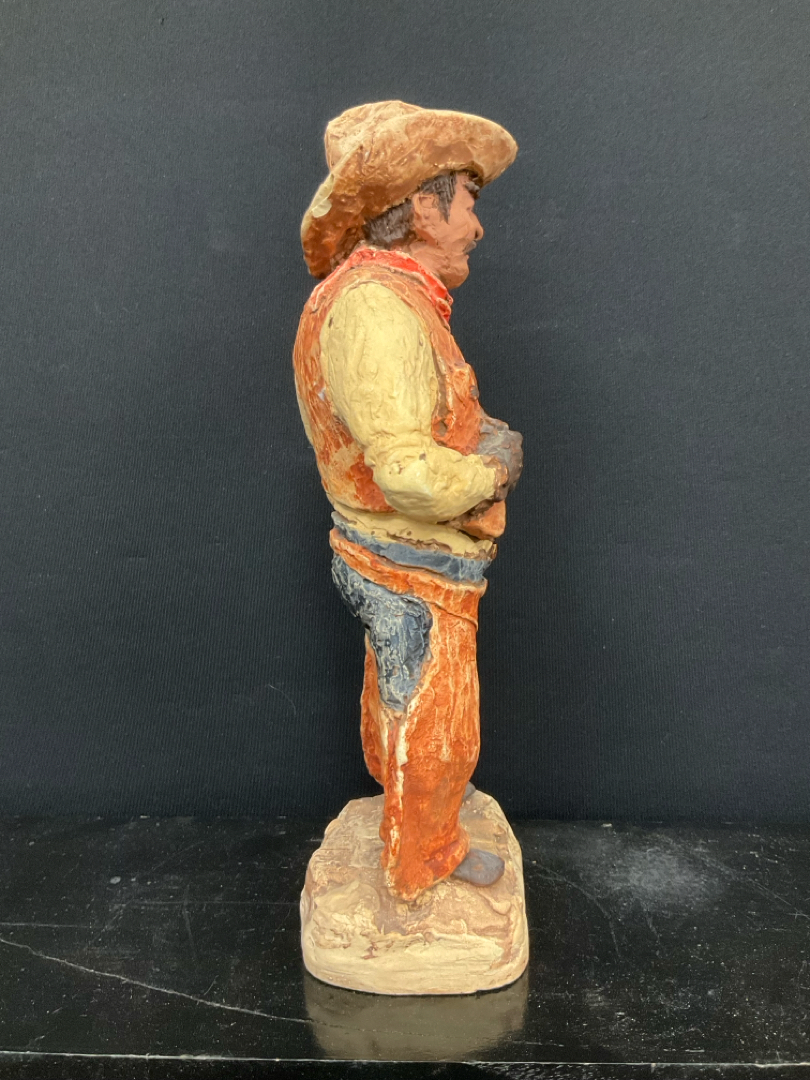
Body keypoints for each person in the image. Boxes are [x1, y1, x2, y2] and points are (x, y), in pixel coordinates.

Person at [294, 101, 522, 902]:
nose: (477, 226)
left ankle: (412, 814)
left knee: (404, 700)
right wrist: (493, 471)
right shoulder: (374, 308)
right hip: (409, 564)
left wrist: (475, 434)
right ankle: (421, 860)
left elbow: (418, 421)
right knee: (438, 720)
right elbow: (407, 475)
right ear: (425, 207)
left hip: (400, 560)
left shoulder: (388, 296)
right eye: (469, 202)